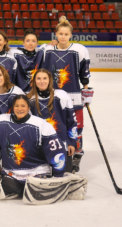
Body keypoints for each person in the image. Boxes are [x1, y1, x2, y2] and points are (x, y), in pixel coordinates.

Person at [0, 95, 67, 196]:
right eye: (17, 106)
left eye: (23, 106)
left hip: (37, 172)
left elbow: (57, 153)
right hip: (11, 173)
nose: (20, 109)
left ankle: (27, 189)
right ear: (12, 108)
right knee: (12, 189)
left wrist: (58, 176)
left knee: (32, 190)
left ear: (28, 108)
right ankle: (23, 190)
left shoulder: (42, 125)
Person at [43, 16, 92, 172]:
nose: (63, 37)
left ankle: (77, 155)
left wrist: (86, 92)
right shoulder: (48, 49)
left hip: (74, 96)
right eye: (60, 33)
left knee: (77, 128)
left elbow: (84, 73)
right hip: (53, 97)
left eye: (66, 34)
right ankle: (56, 152)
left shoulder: (80, 50)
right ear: (55, 34)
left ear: (71, 35)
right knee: (54, 125)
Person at [27, 69, 77, 172]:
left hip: (61, 144)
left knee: (64, 176)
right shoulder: (30, 99)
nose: (42, 81)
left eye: (45, 78)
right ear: (34, 81)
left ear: (49, 80)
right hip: (40, 146)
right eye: (39, 78)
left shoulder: (61, 95)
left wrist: (71, 143)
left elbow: (71, 121)